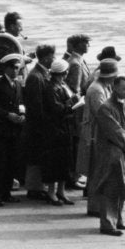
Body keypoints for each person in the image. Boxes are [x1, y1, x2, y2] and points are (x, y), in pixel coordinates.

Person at [90, 74, 125, 236]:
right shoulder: (106, 108)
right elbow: (115, 130)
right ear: (115, 88)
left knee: (122, 186)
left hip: (124, 152)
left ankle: (118, 220)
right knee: (111, 187)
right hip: (111, 154)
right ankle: (107, 224)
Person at [0, 53, 26, 206]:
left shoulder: (17, 85)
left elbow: (20, 103)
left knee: (11, 162)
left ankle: (6, 193)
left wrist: (22, 114)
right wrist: (7, 115)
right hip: (0, 130)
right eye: (14, 68)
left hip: (14, 130)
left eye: (18, 68)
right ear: (6, 69)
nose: (16, 71)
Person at [79, 59, 118, 217]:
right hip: (95, 135)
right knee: (96, 171)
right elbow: (102, 114)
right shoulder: (97, 90)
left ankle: (96, 205)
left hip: (97, 133)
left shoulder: (102, 87)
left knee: (98, 171)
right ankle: (94, 206)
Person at [43, 59, 80, 206]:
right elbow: (56, 109)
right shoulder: (51, 89)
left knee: (65, 161)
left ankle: (61, 191)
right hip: (55, 130)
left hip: (64, 128)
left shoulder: (61, 86)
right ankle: (51, 192)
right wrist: (72, 103)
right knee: (55, 162)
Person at [22, 44, 56, 201]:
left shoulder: (41, 74)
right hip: (36, 125)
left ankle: (37, 187)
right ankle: (34, 188)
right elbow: (36, 105)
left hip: (38, 123)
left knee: (38, 156)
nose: (54, 59)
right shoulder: (36, 77)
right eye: (52, 56)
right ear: (46, 58)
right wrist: (44, 122)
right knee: (35, 156)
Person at [64, 34, 94, 188]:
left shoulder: (78, 60)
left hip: (79, 110)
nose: (89, 45)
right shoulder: (76, 63)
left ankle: (75, 175)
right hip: (78, 111)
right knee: (76, 143)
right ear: (78, 45)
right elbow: (74, 90)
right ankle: (73, 177)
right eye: (86, 43)